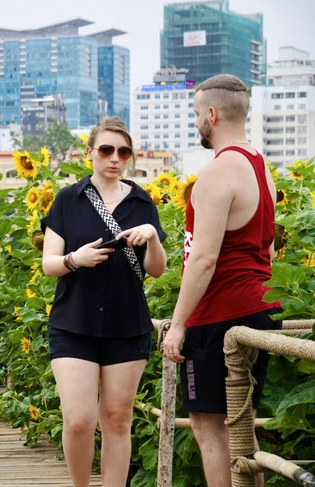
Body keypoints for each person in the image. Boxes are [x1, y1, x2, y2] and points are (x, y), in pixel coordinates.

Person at [162, 74, 282, 487]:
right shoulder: (261, 168)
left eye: (197, 113)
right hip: (260, 308)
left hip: (219, 314)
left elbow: (204, 258)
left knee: (208, 425)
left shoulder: (216, 172)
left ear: (211, 114)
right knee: (242, 426)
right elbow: (266, 249)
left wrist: (177, 324)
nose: (197, 121)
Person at [41, 116, 167, 486]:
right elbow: (49, 264)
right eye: (107, 149)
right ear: (90, 153)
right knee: (78, 420)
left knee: (117, 419)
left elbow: (156, 270)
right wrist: (73, 260)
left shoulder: (143, 203)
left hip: (127, 325)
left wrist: (153, 238)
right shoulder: (68, 199)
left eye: (123, 151)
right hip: (73, 322)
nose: (115, 158)